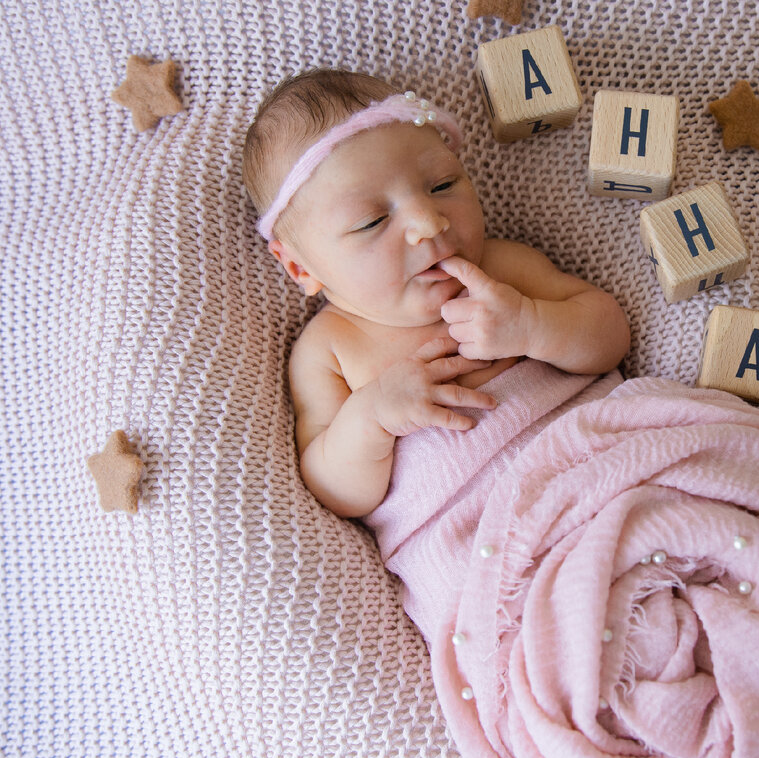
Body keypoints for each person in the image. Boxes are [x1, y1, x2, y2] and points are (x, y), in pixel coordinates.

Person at [242, 69, 630, 517]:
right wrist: (372, 417)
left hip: (607, 463)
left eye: (443, 185)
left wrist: (534, 325)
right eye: (372, 221)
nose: (429, 222)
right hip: (483, 534)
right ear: (299, 267)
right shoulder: (329, 349)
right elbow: (335, 493)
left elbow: (611, 336)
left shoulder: (502, 269)